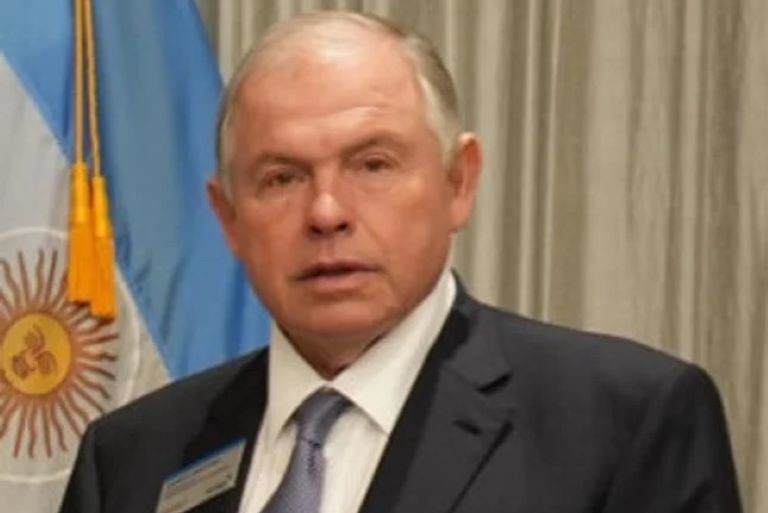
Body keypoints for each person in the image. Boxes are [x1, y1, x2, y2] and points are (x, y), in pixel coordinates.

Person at [59, 11, 741, 513]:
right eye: (282, 178)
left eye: (373, 164)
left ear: (459, 181)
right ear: (228, 218)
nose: (327, 212)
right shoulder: (132, 459)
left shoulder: (624, 424)